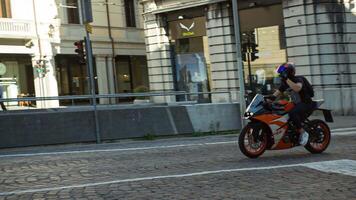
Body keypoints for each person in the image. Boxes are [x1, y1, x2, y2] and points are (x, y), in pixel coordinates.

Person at [266, 62, 314, 145]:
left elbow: (297, 88)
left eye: (282, 73)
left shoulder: (298, 79)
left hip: (306, 103)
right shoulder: (285, 83)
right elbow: (275, 95)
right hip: (296, 104)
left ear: (288, 72)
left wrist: (287, 80)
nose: (280, 75)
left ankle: (303, 132)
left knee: (293, 113)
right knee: (282, 111)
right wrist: (266, 100)